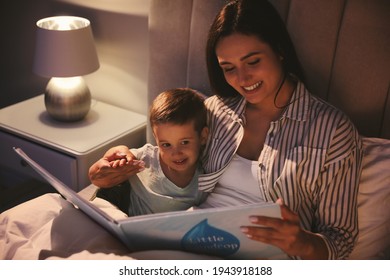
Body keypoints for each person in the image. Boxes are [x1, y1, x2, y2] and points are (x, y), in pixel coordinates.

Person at [89, 0, 363, 260]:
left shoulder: (332, 129)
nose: (242, 79)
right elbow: (164, 155)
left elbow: (341, 239)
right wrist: (117, 161)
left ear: (279, 49)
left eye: (253, 61)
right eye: (228, 68)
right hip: (189, 240)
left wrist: (302, 242)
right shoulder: (215, 111)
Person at [89, 88, 209, 216]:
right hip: (125, 220)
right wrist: (114, 161)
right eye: (166, 145)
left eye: (184, 142)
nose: (176, 153)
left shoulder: (207, 172)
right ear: (156, 139)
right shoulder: (146, 158)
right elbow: (102, 169)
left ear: (202, 137)